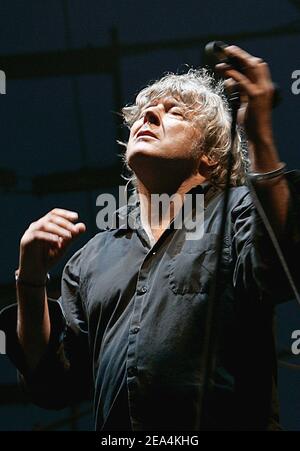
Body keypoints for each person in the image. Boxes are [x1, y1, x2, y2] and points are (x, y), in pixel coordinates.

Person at [1, 45, 300, 431]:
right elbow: (52, 386)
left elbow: (285, 263)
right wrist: (30, 281)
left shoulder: (237, 210)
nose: (150, 115)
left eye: (174, 112)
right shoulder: (92, 257)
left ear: (209, 157)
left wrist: (258, 135)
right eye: (144, 112)